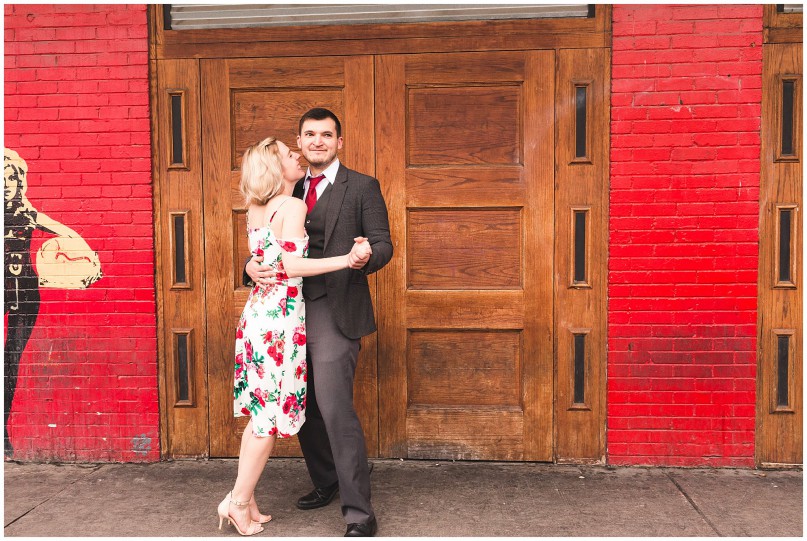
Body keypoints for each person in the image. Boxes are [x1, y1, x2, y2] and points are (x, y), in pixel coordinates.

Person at [245, 108, 393, 537]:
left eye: (326, 135)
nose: (317, 141)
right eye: (309, 134)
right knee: (302, 409)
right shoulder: (282, 185)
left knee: (334, 410)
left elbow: (383, 244)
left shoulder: (362, 186)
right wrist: (249, 267)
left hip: (334, 310)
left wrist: (367, 257)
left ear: (338, 142)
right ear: (300, 140)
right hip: (283, 314)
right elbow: (267, 245)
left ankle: (359, 513)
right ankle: (326, 481)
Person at [220, 136, 372, 536]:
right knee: (267, 419)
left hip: (257, 315)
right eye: (290, 154)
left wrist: (253, 265)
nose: (299, 155)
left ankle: (245, 499)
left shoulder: (256, 206)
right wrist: (347, 259)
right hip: (280, 320)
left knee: (259, 414)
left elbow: (264, 257)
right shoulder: (292, 204)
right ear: (276, 167)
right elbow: (290, 264)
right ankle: (236, 502)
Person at [4, 148, 100, 457]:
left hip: (24, 294)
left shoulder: (28, 214)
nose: (7, 184)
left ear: (22, 183)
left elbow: (68, 233)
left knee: (10, 363)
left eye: (12, 179)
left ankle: (1, 432)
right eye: (2, 179)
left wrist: (89, 261)